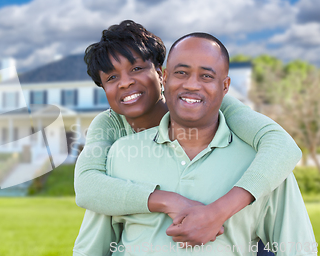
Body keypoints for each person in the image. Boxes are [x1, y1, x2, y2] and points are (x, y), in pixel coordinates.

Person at [74, 33, 316, 256]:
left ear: (160, 74)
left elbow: (281, 145)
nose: (126, 83)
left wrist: (216, 213)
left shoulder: (221, 107)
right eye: (112, 77)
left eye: (136, 68)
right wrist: (168, 200)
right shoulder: (113, 136)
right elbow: (88, 186)